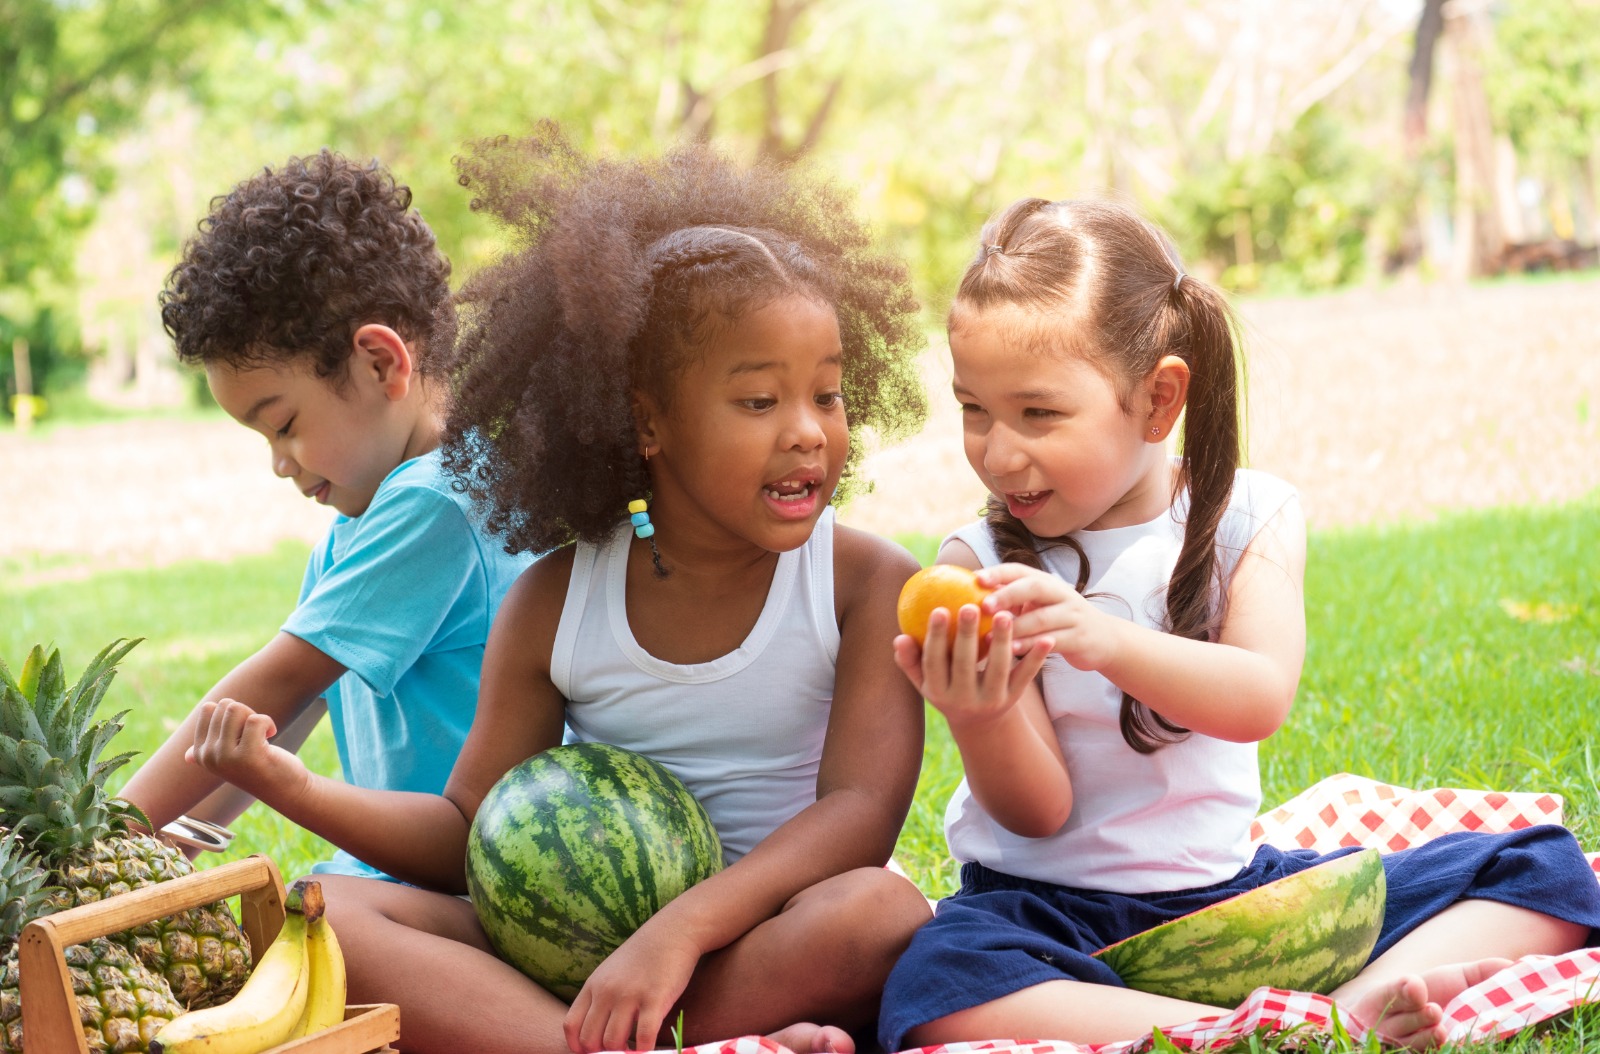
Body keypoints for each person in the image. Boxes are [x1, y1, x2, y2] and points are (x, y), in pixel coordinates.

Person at [203, 128, 935, 1054]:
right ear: (647, 420)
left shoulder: (864, 583)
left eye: (826, 395)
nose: (809, 433)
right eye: (759, 401)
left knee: (879, 911)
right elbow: (464, 833)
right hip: (567, 959)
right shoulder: (556, 599)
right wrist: (286, 783)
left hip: (760, 936)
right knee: (328, 914)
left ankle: (598, 1039)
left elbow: (860, 819)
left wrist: (679, 932)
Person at [877, 197, 1600, 1053]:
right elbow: (1039, 815)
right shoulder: (976, 565)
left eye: (1038, 414)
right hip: (1047, 919)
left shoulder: (1247, 517)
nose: (999, 453)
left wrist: (1101, 639)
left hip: (1230, 898)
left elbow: (1256, 697)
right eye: (974, 411)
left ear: (1158, 400)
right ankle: (1271, 1029)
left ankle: (1349, 1006)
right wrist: (980, 711)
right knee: (937, 984)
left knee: (1541, 866)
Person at [119, 150, 535, 882]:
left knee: (302, 916)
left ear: (381, 364)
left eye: (282, 425)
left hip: (472, 880)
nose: (280, 462)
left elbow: (276, 683)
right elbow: (280, 718)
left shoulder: (439, 501)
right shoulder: (365, 523)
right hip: (403, 870)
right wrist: (160, 845)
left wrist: (104, 831)